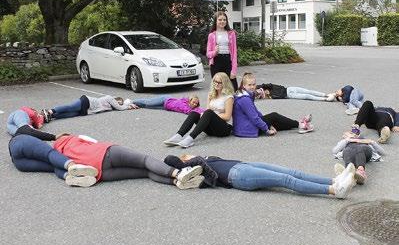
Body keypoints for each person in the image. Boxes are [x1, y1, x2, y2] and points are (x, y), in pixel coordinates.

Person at [164, 154, 356, 199]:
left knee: (291, 172)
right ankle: (333, 191)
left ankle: (333, 180)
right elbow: (169, 158)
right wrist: (185, 162)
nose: (188, 154)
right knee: (286, 181)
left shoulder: (203, 159)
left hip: (242, 165)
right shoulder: (191, 167)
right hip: (238, 176)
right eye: (185, 156)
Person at [52, 134, 204, 189]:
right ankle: (179, 174)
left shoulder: (58, 153)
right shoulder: (75, 137)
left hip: (102, 172)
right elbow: (94, 141)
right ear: (66, 136)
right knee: (145, 160)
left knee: (145, 173)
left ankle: (177, 183)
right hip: (107, 152)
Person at [8, 127, 98, 187]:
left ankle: (69, 176)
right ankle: (73, 166)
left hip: (18, 162)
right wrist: (54, 137)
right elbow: (32, 132)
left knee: (54, 166)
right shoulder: (22, 129)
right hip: (20, 142)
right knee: (50, 154)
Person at [164, 72, 234, 148]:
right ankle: (178, 135)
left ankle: (190, 139)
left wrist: (211, 115)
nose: (216, 84)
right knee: (194, 113)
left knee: (208, 112)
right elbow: (208, 110)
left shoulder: (228, 97)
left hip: (222, 129)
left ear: (224, 83)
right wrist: (205, 114)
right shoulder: (211, 94)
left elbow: (227, 116)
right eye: (215, 81)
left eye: (219, 82)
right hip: (211, 129)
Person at [233, 73, 314, 137]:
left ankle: (299, 123)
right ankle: (301, 125)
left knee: (275, 122)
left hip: (244, 128)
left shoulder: (246, 95)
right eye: (249, 85)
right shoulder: (244, 99)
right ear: (244, 86)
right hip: (246, 129)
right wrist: (267, 130)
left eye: (254, 84)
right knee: (274, 116)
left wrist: (269, 125)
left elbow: (256, 112)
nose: (252, 87)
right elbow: (254, 118)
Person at [206, 11, 238, 91]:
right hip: (216, 62)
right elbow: (208, 54)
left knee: (233, 87)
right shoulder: (211, 35)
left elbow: (234, 53)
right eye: (220, 20)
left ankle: (232, 103)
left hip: (228, 60)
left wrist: (234, 70)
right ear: (215, 21)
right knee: (217, 89)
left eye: (224, 20)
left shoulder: (231, 33)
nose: (222, 21)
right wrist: (215, 52)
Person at [43, 95, 134, 120]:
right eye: (119, 101)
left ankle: (53, 116)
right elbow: (120, 108)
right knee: (70, 107)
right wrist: (128, 106)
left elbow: (118, 107)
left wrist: (125, 105)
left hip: (88, 110)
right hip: (87, 101)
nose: (119, 103)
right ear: (116, 99)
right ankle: (50, 111)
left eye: (120, 103)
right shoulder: (110, 98)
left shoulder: (110, 107)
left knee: (71, 114)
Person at [125, 94, 205, 115]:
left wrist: (208, 111)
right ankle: (131, 101)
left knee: (148, 106)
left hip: (166, 107)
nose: (194, 104)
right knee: (148, 102)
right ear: (189, 101)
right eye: (193, 102)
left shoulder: (193, 108)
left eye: (196, 103)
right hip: (165, 99)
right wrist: (199, 113)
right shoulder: (184, 104)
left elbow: (199, 109)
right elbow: (187, 111)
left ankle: (133, 105)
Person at [255, 83, 335, 101]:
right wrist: (268, 95)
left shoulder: (271, 87)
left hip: (290, 89)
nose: (266, 92)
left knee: (308, 91)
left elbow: (265, 85)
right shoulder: (272, 97)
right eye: (264, 93)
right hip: (289, 95)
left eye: (265, 91)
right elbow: (282, 96)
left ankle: (325, 94)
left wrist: (257, 87)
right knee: (306, 96)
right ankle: (324, 99)